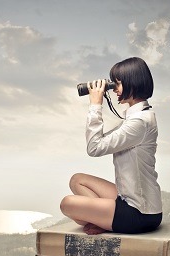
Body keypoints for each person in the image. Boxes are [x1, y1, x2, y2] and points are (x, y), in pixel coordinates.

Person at [60, 57, 162, 235]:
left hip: (139, 214)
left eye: (118, 83)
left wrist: (95, 105)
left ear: (133, 83)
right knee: (77, 180)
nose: (114, 88)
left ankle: (103, 220)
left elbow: (95, 148)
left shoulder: (139, 122)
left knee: (67, 204)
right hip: (132, 200)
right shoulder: (137, 117)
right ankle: (102, 220)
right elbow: (100, 140)